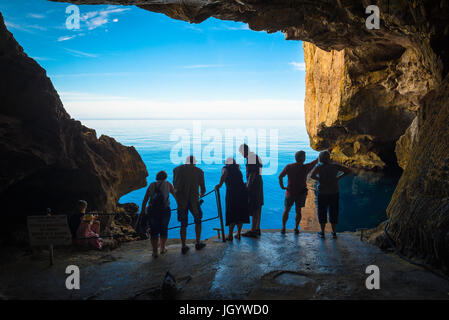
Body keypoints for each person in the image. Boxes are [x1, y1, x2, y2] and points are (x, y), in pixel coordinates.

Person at [310, 150, 352, 239]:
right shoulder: (335, 166)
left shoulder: (319, 167)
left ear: (320, 158)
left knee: (322, 211)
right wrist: (338, 177)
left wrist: (320, 180)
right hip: (334, 191)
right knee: (334, 211)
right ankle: (334, 232)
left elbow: (312, 176)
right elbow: (348, 171)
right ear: (329, 158)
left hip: (323, 192)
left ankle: (322, 232)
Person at [173, 155, 207, 254]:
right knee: (198, 220)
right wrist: (201, 195)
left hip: (181, 202)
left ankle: (183, 246)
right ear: (194, 162)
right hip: (194, 201)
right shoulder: (199, 171)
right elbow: (203, 189)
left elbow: (175, 184)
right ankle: (197, 242)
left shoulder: (176, 170)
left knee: (183, 224)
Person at [279, 151, 318, 234]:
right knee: (298, 211)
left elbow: (280, 176)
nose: (305, 158)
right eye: (304, 156)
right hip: (301, 193)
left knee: (286, 210)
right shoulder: (306, 167)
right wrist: (328, 151)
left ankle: (283, 228)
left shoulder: (289, 167)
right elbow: (316, 161)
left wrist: (282, 186)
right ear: (302, 158)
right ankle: (296, 228)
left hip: (290, 192)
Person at [140, 171, 175, 258]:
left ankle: (155, 251)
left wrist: (143, 211)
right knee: (164, 229)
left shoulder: (152, 185)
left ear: (157, 177)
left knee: (154, 231)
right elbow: (175, 195)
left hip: (152, 211)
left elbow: (145, 199)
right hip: (165, 210)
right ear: (165, 177)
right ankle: (162, 248)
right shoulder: (168, 184)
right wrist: (181, 206)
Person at [215, 157, 250, 241]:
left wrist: (219, 185)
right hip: (242, 193)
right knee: (241, 213)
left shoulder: (225, 168)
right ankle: (238, 234)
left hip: (232, 194)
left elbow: (224, 175)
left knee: (232, 213)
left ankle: (230, 235)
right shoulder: (237, 168)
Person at [239, 144, 263, 238]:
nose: (241, 154)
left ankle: (253, 230)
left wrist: (248, 187)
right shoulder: (255, 156)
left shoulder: (251, 158)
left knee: (255, 206)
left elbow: (252, 174)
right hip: (259, 183)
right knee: (258, 205)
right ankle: (257, 228)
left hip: (255, 186)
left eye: (241, 152)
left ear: (244, 151)